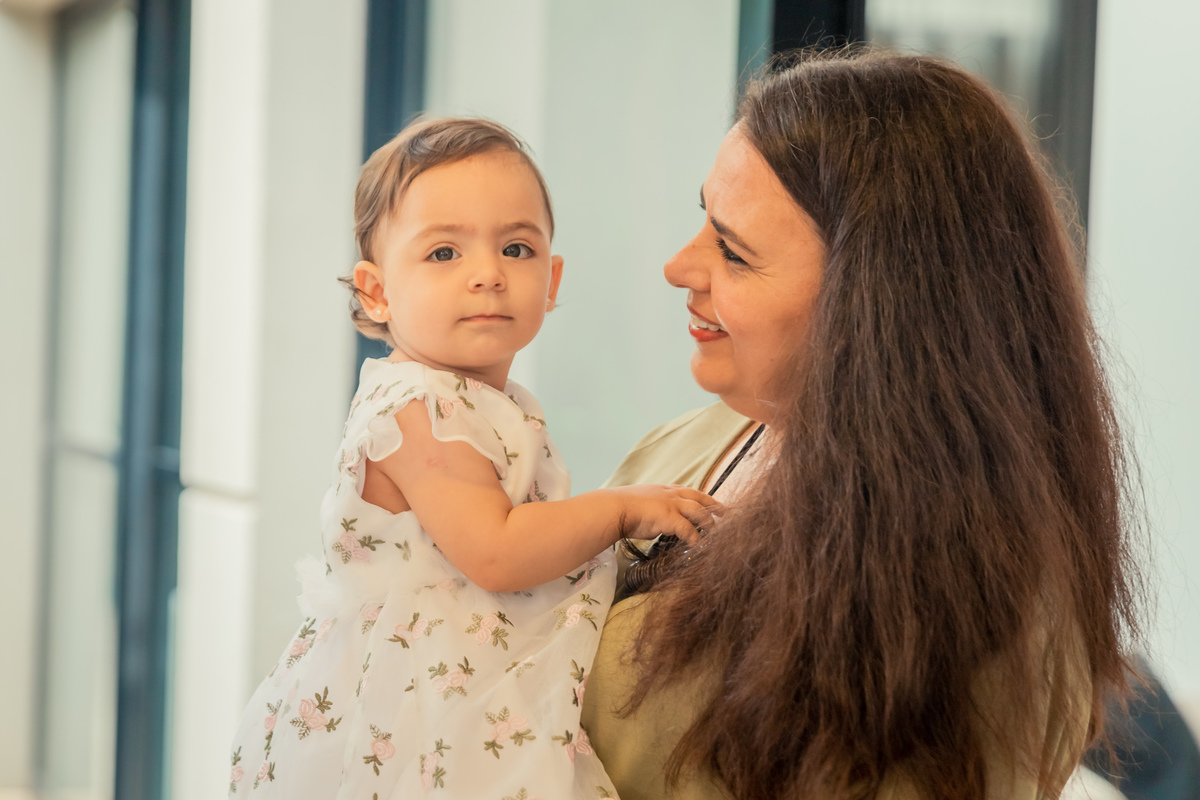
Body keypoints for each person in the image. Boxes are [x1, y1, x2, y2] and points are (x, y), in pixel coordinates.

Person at [580, 50, 1144, 800]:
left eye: (734, 252)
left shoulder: (975, 598)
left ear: (877, 304)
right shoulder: (683, 448)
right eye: (703, 220)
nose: (678, 267)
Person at [226, 117, 717, 800]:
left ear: (552, 277)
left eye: (517, 248)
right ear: (377, 291)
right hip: (423, 704)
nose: (487, 275)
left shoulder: (475, 396)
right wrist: (622, 508)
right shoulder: (419, 408)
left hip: (461, 675)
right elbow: (496, 550)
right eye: (444, 254)